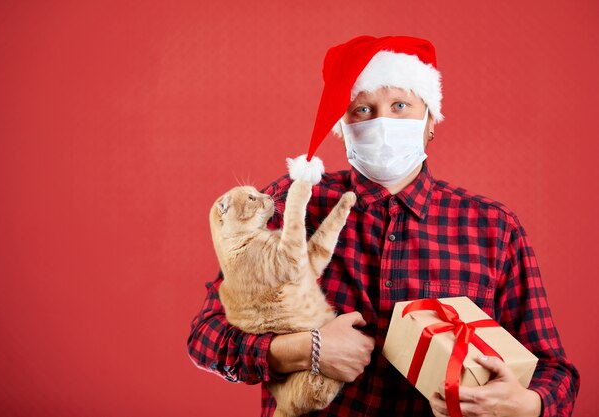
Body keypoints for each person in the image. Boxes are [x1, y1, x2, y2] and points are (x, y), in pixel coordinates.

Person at [187, 35, 580, 417]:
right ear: (341, 127)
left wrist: (524, 405)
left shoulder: (493, 228)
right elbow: (207, 338)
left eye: (399, 105)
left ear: (430, 120)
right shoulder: (294, 203)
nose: (382, 123)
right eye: (363, 110)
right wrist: (307, 349)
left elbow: (555, 372)